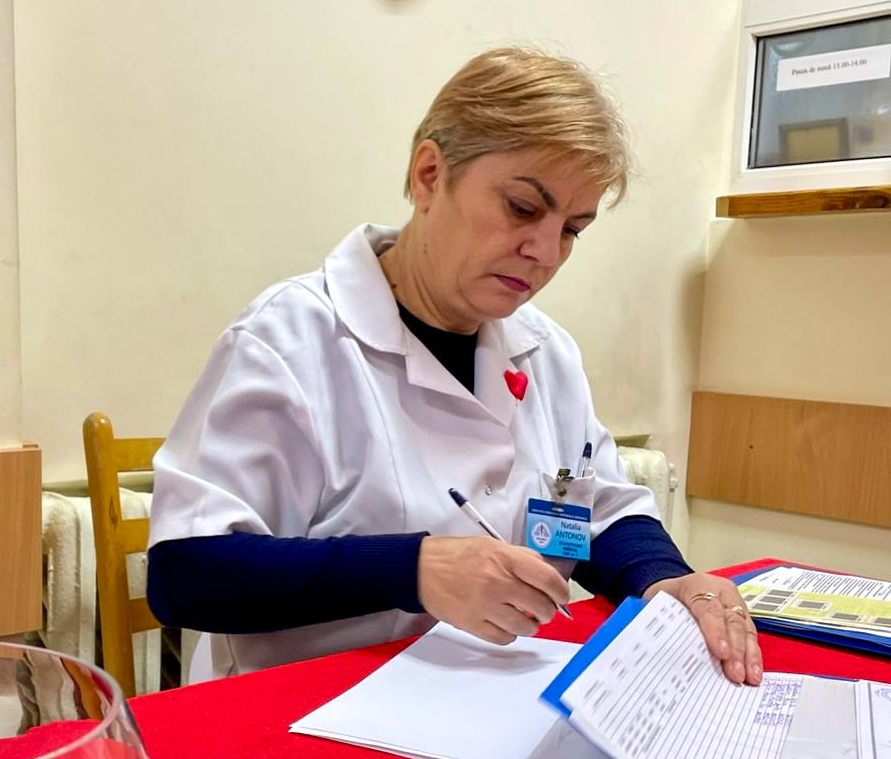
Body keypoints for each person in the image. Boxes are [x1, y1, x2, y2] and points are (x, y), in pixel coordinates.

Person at [146, 47, 763, 684]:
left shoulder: (544, 350)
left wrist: (666, 580)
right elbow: (186, 574)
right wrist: (414, 570)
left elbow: (594, 512)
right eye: (522, 208)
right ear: (429, 175)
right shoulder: (290, 339)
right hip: (301, 703)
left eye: (572, 229)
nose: (545, 252)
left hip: (483, 692)